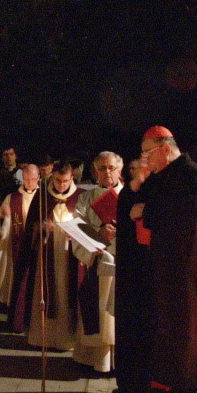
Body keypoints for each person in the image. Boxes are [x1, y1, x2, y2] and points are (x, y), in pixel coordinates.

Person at [129, 126, 197, 393]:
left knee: (181, 330)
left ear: (165, 148)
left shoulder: (193, 175)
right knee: (163, 329)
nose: (145, 160)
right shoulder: (164, 175)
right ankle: (161, 388)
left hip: (184, 269)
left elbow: (187, 218)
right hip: (164, 265)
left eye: (148, 153)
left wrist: (146, 212)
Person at [71, 151, 124, 372]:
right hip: (97, 262)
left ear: (119, 170)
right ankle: (93, 360)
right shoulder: (86, 198)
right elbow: (77, 230)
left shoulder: (129, 196)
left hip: (122, 266)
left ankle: (120, 363)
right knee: (96, 312)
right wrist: (99, 234)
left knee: (119, 316)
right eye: (102, 168)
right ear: (95, 171)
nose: (107, 172)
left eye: (111, 168)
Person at [20, 162, 80, 350]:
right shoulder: (43, 197)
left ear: (72, 178)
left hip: (70, 254)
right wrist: (42, 227)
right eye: (58, 180)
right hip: (46, 253)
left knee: (66, 292)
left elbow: (86, 224)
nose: (61, 185)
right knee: (45, 290)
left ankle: (66, 339)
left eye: (65, 181)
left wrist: (76, 232)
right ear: (52, 177)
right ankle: (42, 337)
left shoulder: (79, 197)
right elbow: (31, 227)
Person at [114, 158, 155, 393]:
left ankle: (140, 388)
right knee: (127, 328)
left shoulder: (158, 190)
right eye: (134, 169)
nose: (138, 171)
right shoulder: (128, 192)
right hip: (129, 269)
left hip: (148, 270)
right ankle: (127, 384)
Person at [0, 164, 39, 329]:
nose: (30, 183)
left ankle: (36, 321)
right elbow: (0, 227)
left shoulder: (43, 197)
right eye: (26, 179)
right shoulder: (12, 198)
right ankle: (18, 320)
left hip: (38, 247)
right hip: (18, 247)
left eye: (33, 179)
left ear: (38, 178)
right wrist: (4, 218)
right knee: (20, 283)